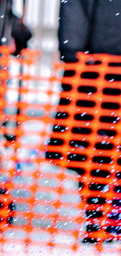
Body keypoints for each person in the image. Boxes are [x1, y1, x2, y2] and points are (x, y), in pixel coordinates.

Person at [47, 0, 121, 242]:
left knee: (92, 150)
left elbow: (72, 28)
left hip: (91, 72)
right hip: (96, 71)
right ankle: (105, 218)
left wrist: (75, 56)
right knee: (100, 150)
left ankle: (100, 218)